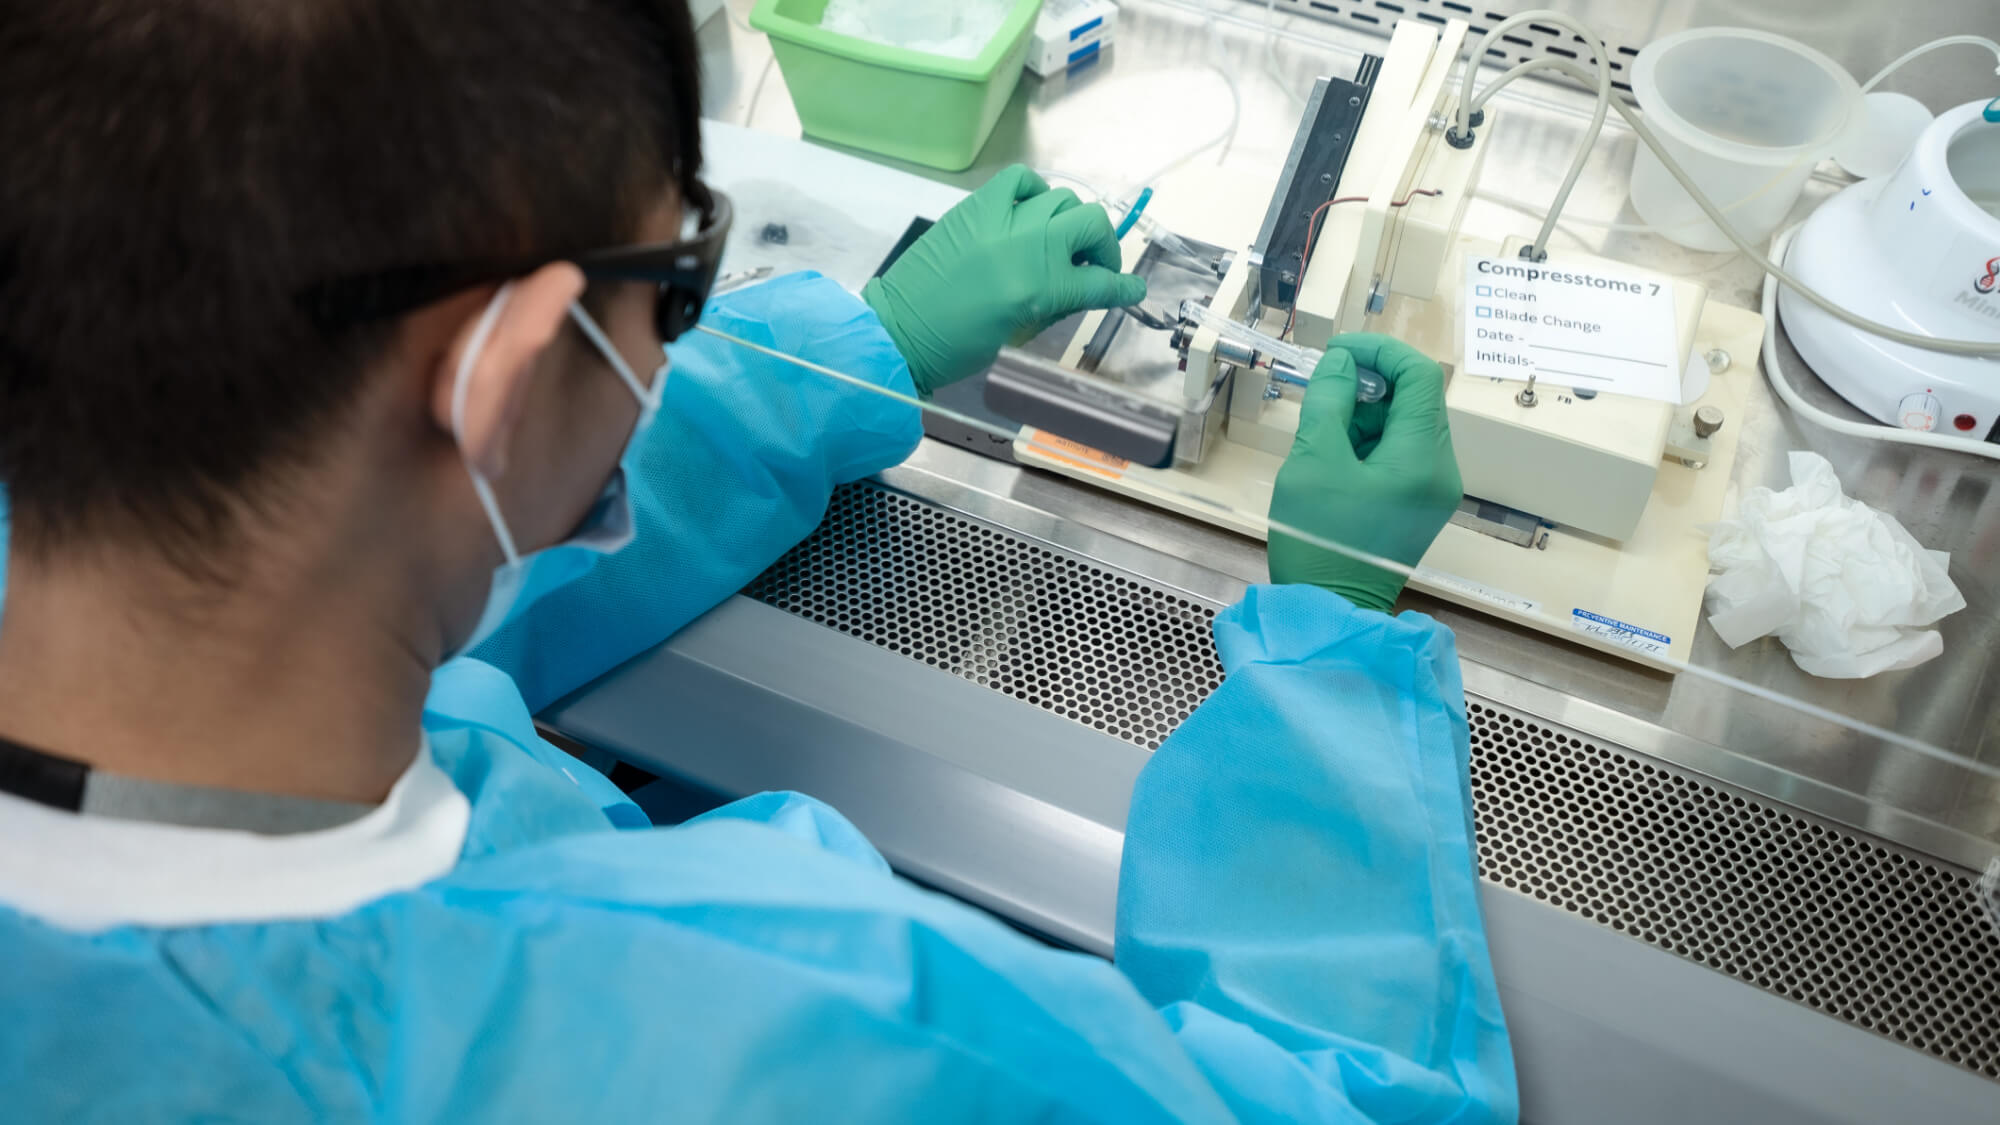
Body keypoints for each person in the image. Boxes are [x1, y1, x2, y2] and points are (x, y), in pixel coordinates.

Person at [0, 1, 1511, 1120]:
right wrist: (1330, 640)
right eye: (679, 279)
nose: (680, 326)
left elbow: (367, 547)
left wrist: (865, 355)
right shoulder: (786, 1031)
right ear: (508, 373)